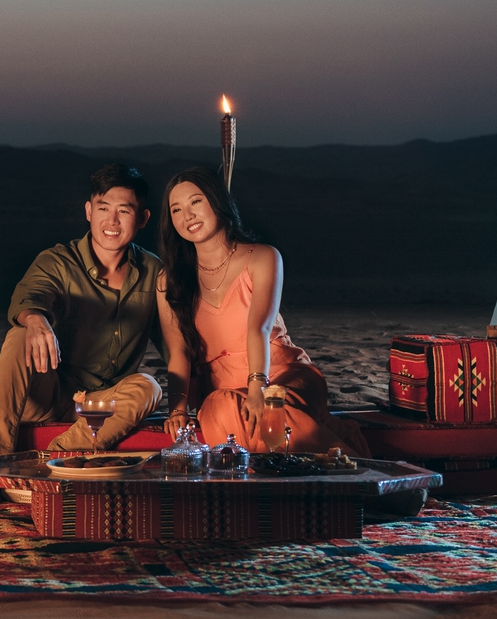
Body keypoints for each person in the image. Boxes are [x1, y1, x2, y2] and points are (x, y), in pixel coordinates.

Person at [0, 164, 164, 511]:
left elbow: (176, 343)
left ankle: (57, 459)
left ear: (141, 218)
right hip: (47, 392)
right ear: (88, 211)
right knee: (21, 336)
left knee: (149, 387)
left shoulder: (155, 273)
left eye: (123, 211)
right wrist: (35, 320)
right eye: (103, 209)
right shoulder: (58, 260)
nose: (112, 221)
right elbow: (30, 296)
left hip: (101, 405)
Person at [155, 166, 369, 457]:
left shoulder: (263, 257)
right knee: (219, 405)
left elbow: (259, 328)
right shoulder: (170, 281)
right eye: (176, 209)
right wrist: (177, 410)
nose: (187, 215)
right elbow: (178, 351)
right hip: (221, 389)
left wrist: (257, 387)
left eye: (196, 201)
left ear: (217, 201)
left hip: (278, 372)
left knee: (271, 406)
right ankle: (317, 464)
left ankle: (352, 471)